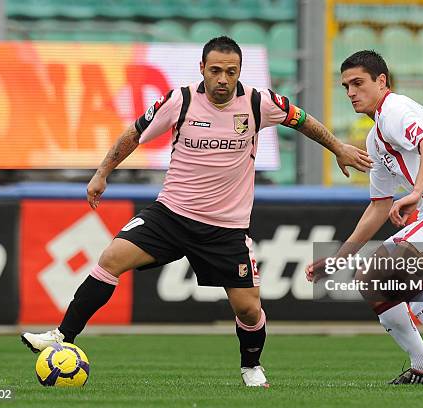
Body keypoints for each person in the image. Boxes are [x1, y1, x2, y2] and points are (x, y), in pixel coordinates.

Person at [21, 36, 372, 387]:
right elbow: (134, 134)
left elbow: (302, 120)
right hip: (171, 215)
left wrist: (338, 147)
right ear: (202, 68)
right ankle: (62, 336)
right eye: (216, 70)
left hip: (225, 229)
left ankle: (251, 367)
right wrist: (102, 173)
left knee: (248, 309)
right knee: (111, 258)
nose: (223, 79)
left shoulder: (257, 102)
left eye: (230, 72)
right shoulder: (180, 100)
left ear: (239, 72)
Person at [306, 50, 423, 385]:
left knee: (386, 268)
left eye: (358, 83)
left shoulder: (395, 110)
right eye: (345, 86)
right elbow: (377, 206)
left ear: (382, 81)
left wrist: (415, 193)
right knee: (372, 282)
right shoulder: (375, 139)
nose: (350, 92)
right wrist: (336, 261)